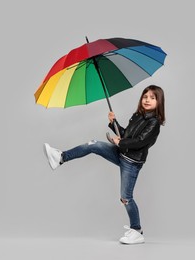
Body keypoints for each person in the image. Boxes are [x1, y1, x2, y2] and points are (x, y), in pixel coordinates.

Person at [43, 85, 166, 244]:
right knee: (93, 144)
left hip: (131, 162)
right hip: (122, 153)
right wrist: (113, 123)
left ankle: (137, 230)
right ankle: (61, 157)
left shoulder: (154, 123)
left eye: (152, 97)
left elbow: (140, 142)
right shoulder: (137, 116)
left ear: (159, 102)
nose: (147, 100)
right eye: (145, 96)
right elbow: (125, 134)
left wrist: (120, 141)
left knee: (126, 198)